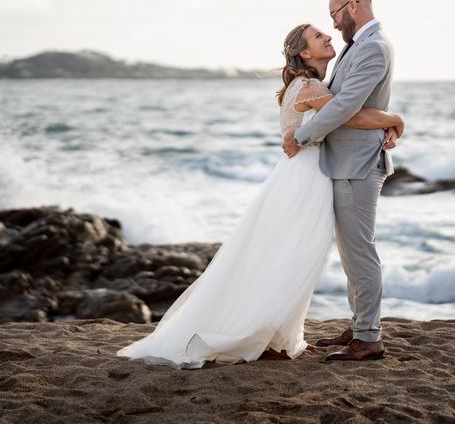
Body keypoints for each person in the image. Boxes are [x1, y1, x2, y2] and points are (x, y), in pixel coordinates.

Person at [116, 21, 404, 369]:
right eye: (318, 36)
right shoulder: (310, 86)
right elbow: (350, 116)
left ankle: (274, 333)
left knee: (287, 254)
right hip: (305, 179)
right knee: (292, 255)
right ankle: (261, 332)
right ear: (304, 52)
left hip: (301, 176)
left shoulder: (308, 84)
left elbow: (341, 116)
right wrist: (395, 119)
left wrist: (385, 126)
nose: (328, 35)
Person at [283, 0, 396, 361]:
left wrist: (302, 135)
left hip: (358, 163)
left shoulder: (373, 47)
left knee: (360, 251)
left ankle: (368, 336)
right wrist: (394, 121)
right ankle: (359, 324)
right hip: (347, 161)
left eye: (333, 14)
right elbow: (344, 104)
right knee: (351, 252)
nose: (332, 24)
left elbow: (346, 105)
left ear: (352, 6)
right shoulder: (358, 46)